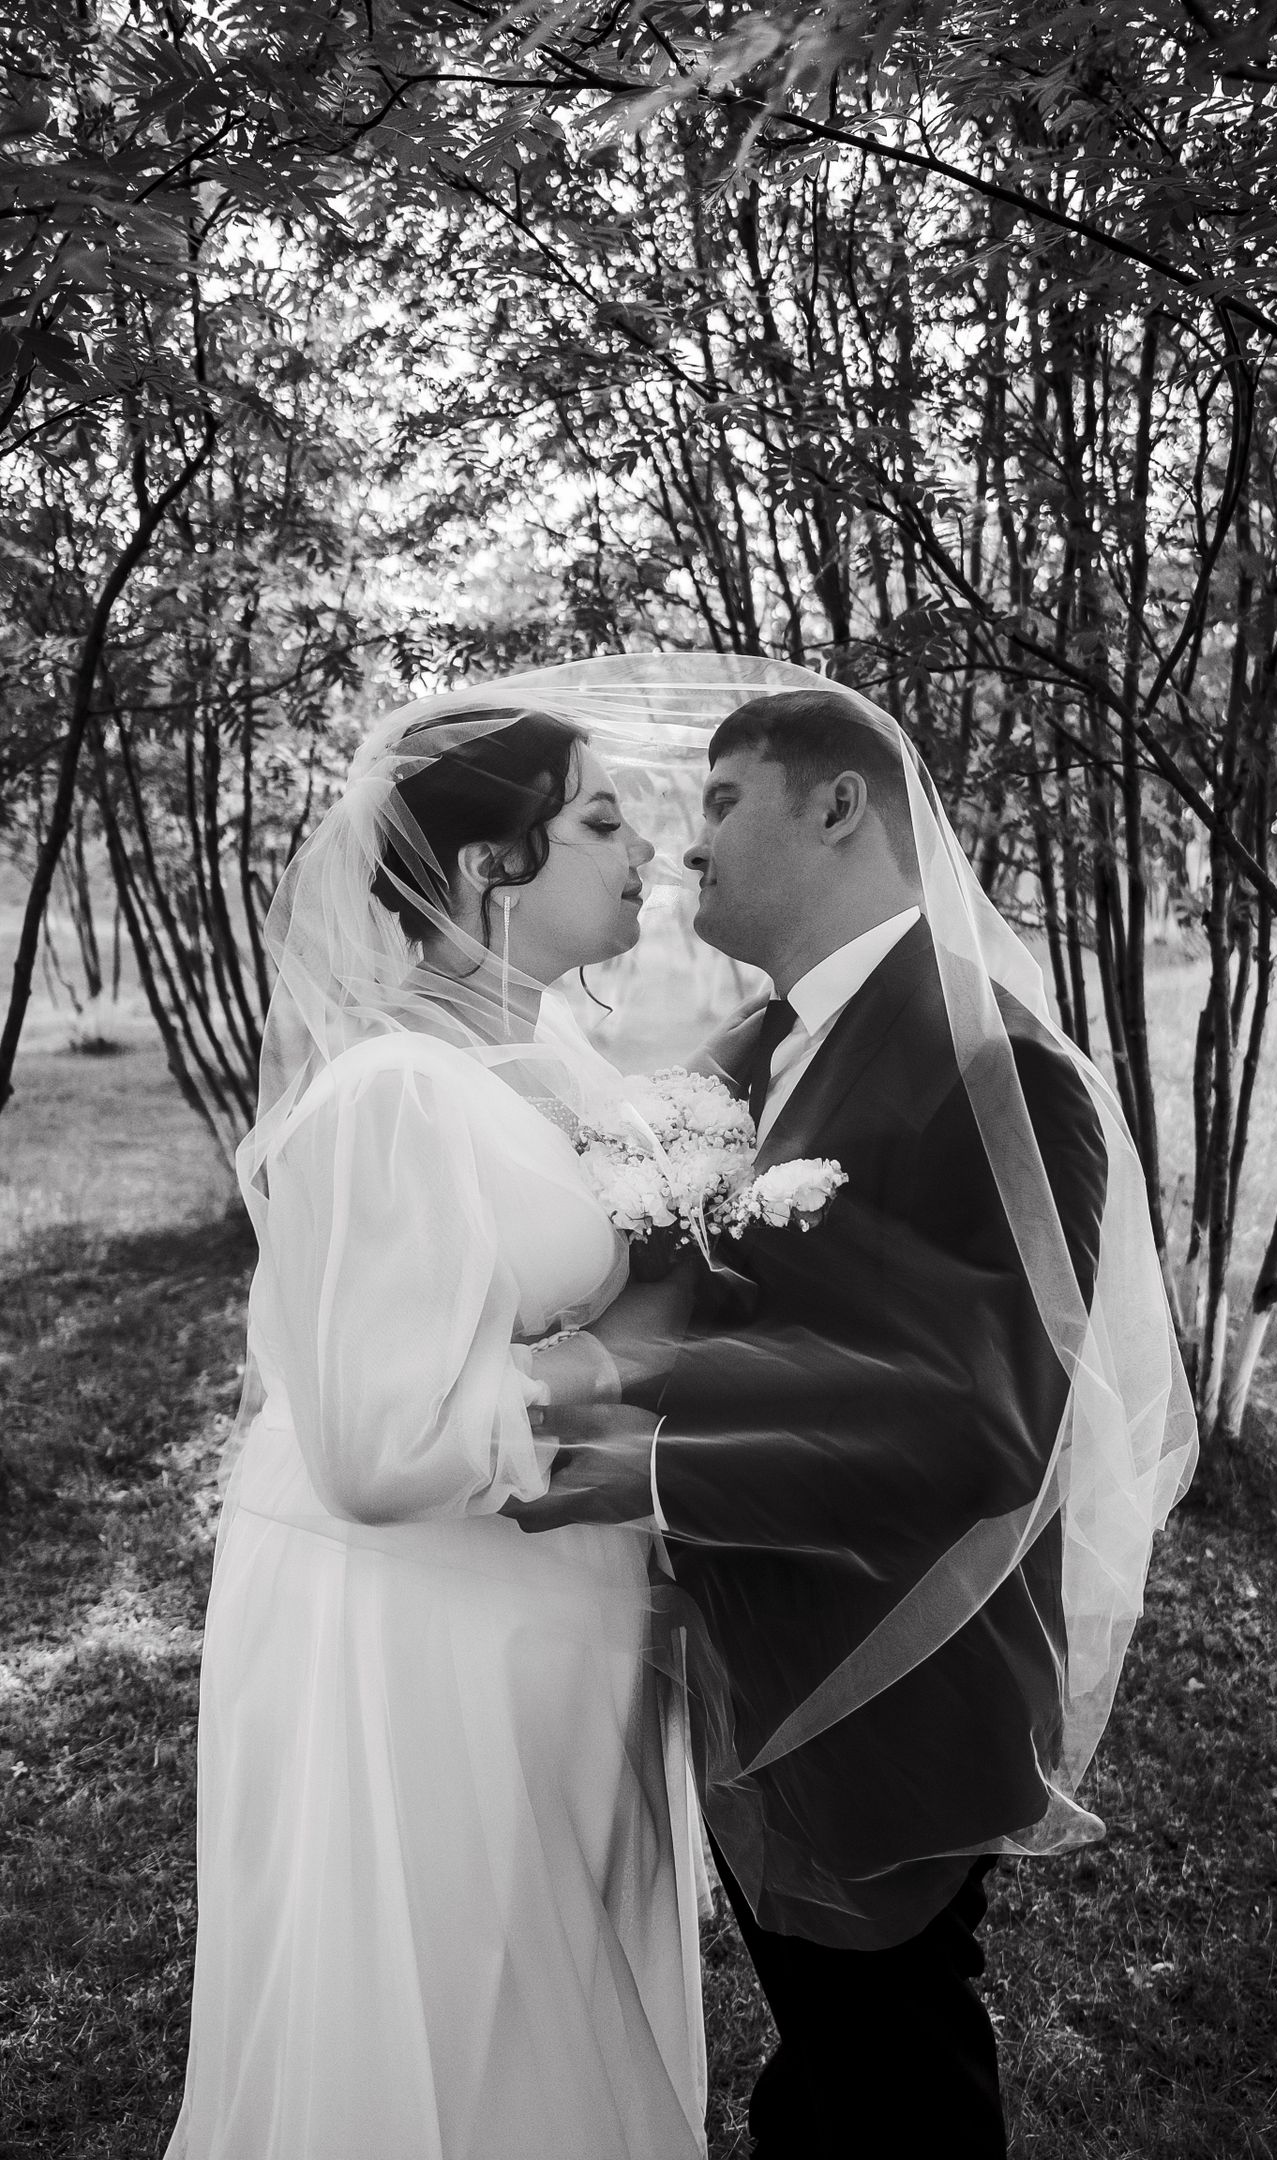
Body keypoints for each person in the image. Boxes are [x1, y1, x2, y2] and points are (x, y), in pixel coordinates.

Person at [510, 672, 1198, 2158]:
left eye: (724, 801)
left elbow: (984, 1422)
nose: (690, 846)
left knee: (899, 2081)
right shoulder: (758, 1054)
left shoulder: (1000, 1072)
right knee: (831, 2066)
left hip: (894, 1670)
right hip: (757, 1644)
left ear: (838, 805)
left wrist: (661, 1461)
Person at [164, 702, 709, 2160]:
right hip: (428, 1627)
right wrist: (621, 1356)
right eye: (599, 822)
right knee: (459, 1997)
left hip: (556, 1597)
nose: (646, 852)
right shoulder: (391, 1092)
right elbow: (379, 1444)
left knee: (552, 1974)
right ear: (487, 867)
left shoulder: (554, 1068)